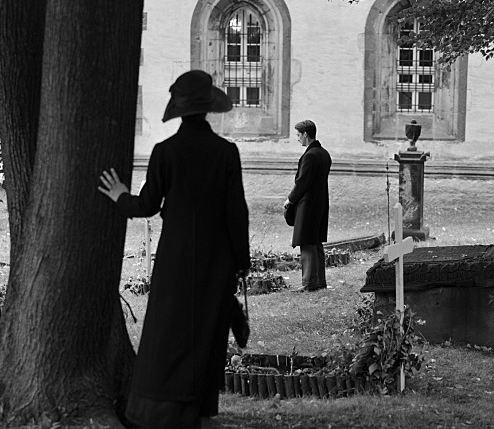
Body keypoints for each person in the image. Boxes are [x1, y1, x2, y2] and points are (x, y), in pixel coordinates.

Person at [98, 70, 251, 428]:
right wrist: (241, 261)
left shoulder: (165, 152)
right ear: (208, 107)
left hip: (176, 257)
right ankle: (201, 410)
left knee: (169, 331)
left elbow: (148, 205)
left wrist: (120, 196)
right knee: (208, 332)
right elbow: (236, 212)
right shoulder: (226, 152)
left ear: (179, 109)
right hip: (217, 258)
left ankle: (164, 409)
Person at [284, 120, 332, 292]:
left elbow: (302, 182)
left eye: (298, 135)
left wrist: (290, 199)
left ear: (306, 134)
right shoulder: (324, 153)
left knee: (307, 242)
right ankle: (320, 281)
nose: (297, 138)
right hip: (320, 202)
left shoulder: (310, 155)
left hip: (308, 204)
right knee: (316, 242)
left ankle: (309, 283)